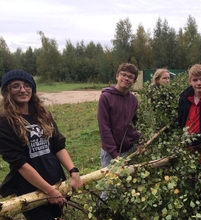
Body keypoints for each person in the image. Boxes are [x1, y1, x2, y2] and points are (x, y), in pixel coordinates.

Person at [0, 69, 83, 220]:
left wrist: (74, 171)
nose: (23, 90)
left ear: (33, 89)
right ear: (7, 91)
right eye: (16, 86)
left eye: (27, 85)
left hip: (56, 180)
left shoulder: (43, 114)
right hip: (31, 189)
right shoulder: (4, 122)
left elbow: (58, 146)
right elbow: (19, 163)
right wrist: (48, 191)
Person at [98, 63, 142, 169]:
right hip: (111, 154)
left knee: (128, 183)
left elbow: (136, 123)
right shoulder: (106, 98)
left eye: (130, 77)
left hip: (130, 150)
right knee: (112, 184)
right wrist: (114, 155)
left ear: (134, 82)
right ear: (117, 76)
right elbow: (104, 128)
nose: (126, 78)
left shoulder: (133, 100)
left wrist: (141, 141)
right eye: (124, 75)